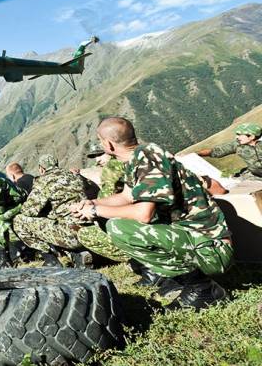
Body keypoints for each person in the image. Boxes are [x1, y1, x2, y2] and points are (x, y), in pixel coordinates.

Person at [72, 117, 233, 310]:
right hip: (193, 238)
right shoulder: (139, 159)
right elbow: (126, 196)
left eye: (100, 140)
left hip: (212, 249)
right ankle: (177, 277)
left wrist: (95, 210)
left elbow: (143, 214)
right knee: (108, 219)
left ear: (108, 144)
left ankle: (202, 288)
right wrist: (92, 203)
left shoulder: (148, 158)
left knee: (118, 227)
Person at [12, 154, 90, 267]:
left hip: (70, 234)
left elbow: (29, 210)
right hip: (89, 229)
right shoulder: (74, 175)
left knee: (19, 221)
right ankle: (75, 253)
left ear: (41, 169)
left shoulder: (43, 181)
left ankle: (50, 257)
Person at [75, 141, 131, 264]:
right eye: (94, 157)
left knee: (84, 233)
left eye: (100, 154)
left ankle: (134, 258)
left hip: (128, 222)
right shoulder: (130, 160)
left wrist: (90, 208)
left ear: (110, 149)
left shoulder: (112, 167)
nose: (97, 160)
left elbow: (108, 196)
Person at [196, 122, 262, 179]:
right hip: (254, 175)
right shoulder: (237, 144)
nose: (237, 137)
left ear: (251, 137)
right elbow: (217, 151)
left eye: (239, 135)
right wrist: (197, 154)